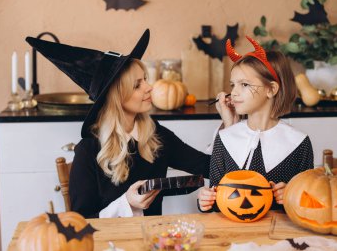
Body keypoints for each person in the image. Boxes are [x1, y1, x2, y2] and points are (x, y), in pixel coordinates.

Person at [27, 29, 214, 219]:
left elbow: (207, 165)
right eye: (137, 85)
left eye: (145, 80)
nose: (149, 87)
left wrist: (230, 126)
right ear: (117, 98)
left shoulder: (156, 136)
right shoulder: (88, 151)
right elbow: (80, 222)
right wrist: (127, 203)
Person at [197, 36, 314, 212]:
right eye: (232, 85)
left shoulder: (299, 143)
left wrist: (291, 195)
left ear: (271, 89)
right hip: (232, 235)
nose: (234, 92)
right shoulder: (224, 139)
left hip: (278, 236)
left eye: (244, 84)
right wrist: (205, 201)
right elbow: (216, 202)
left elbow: (309, 203)